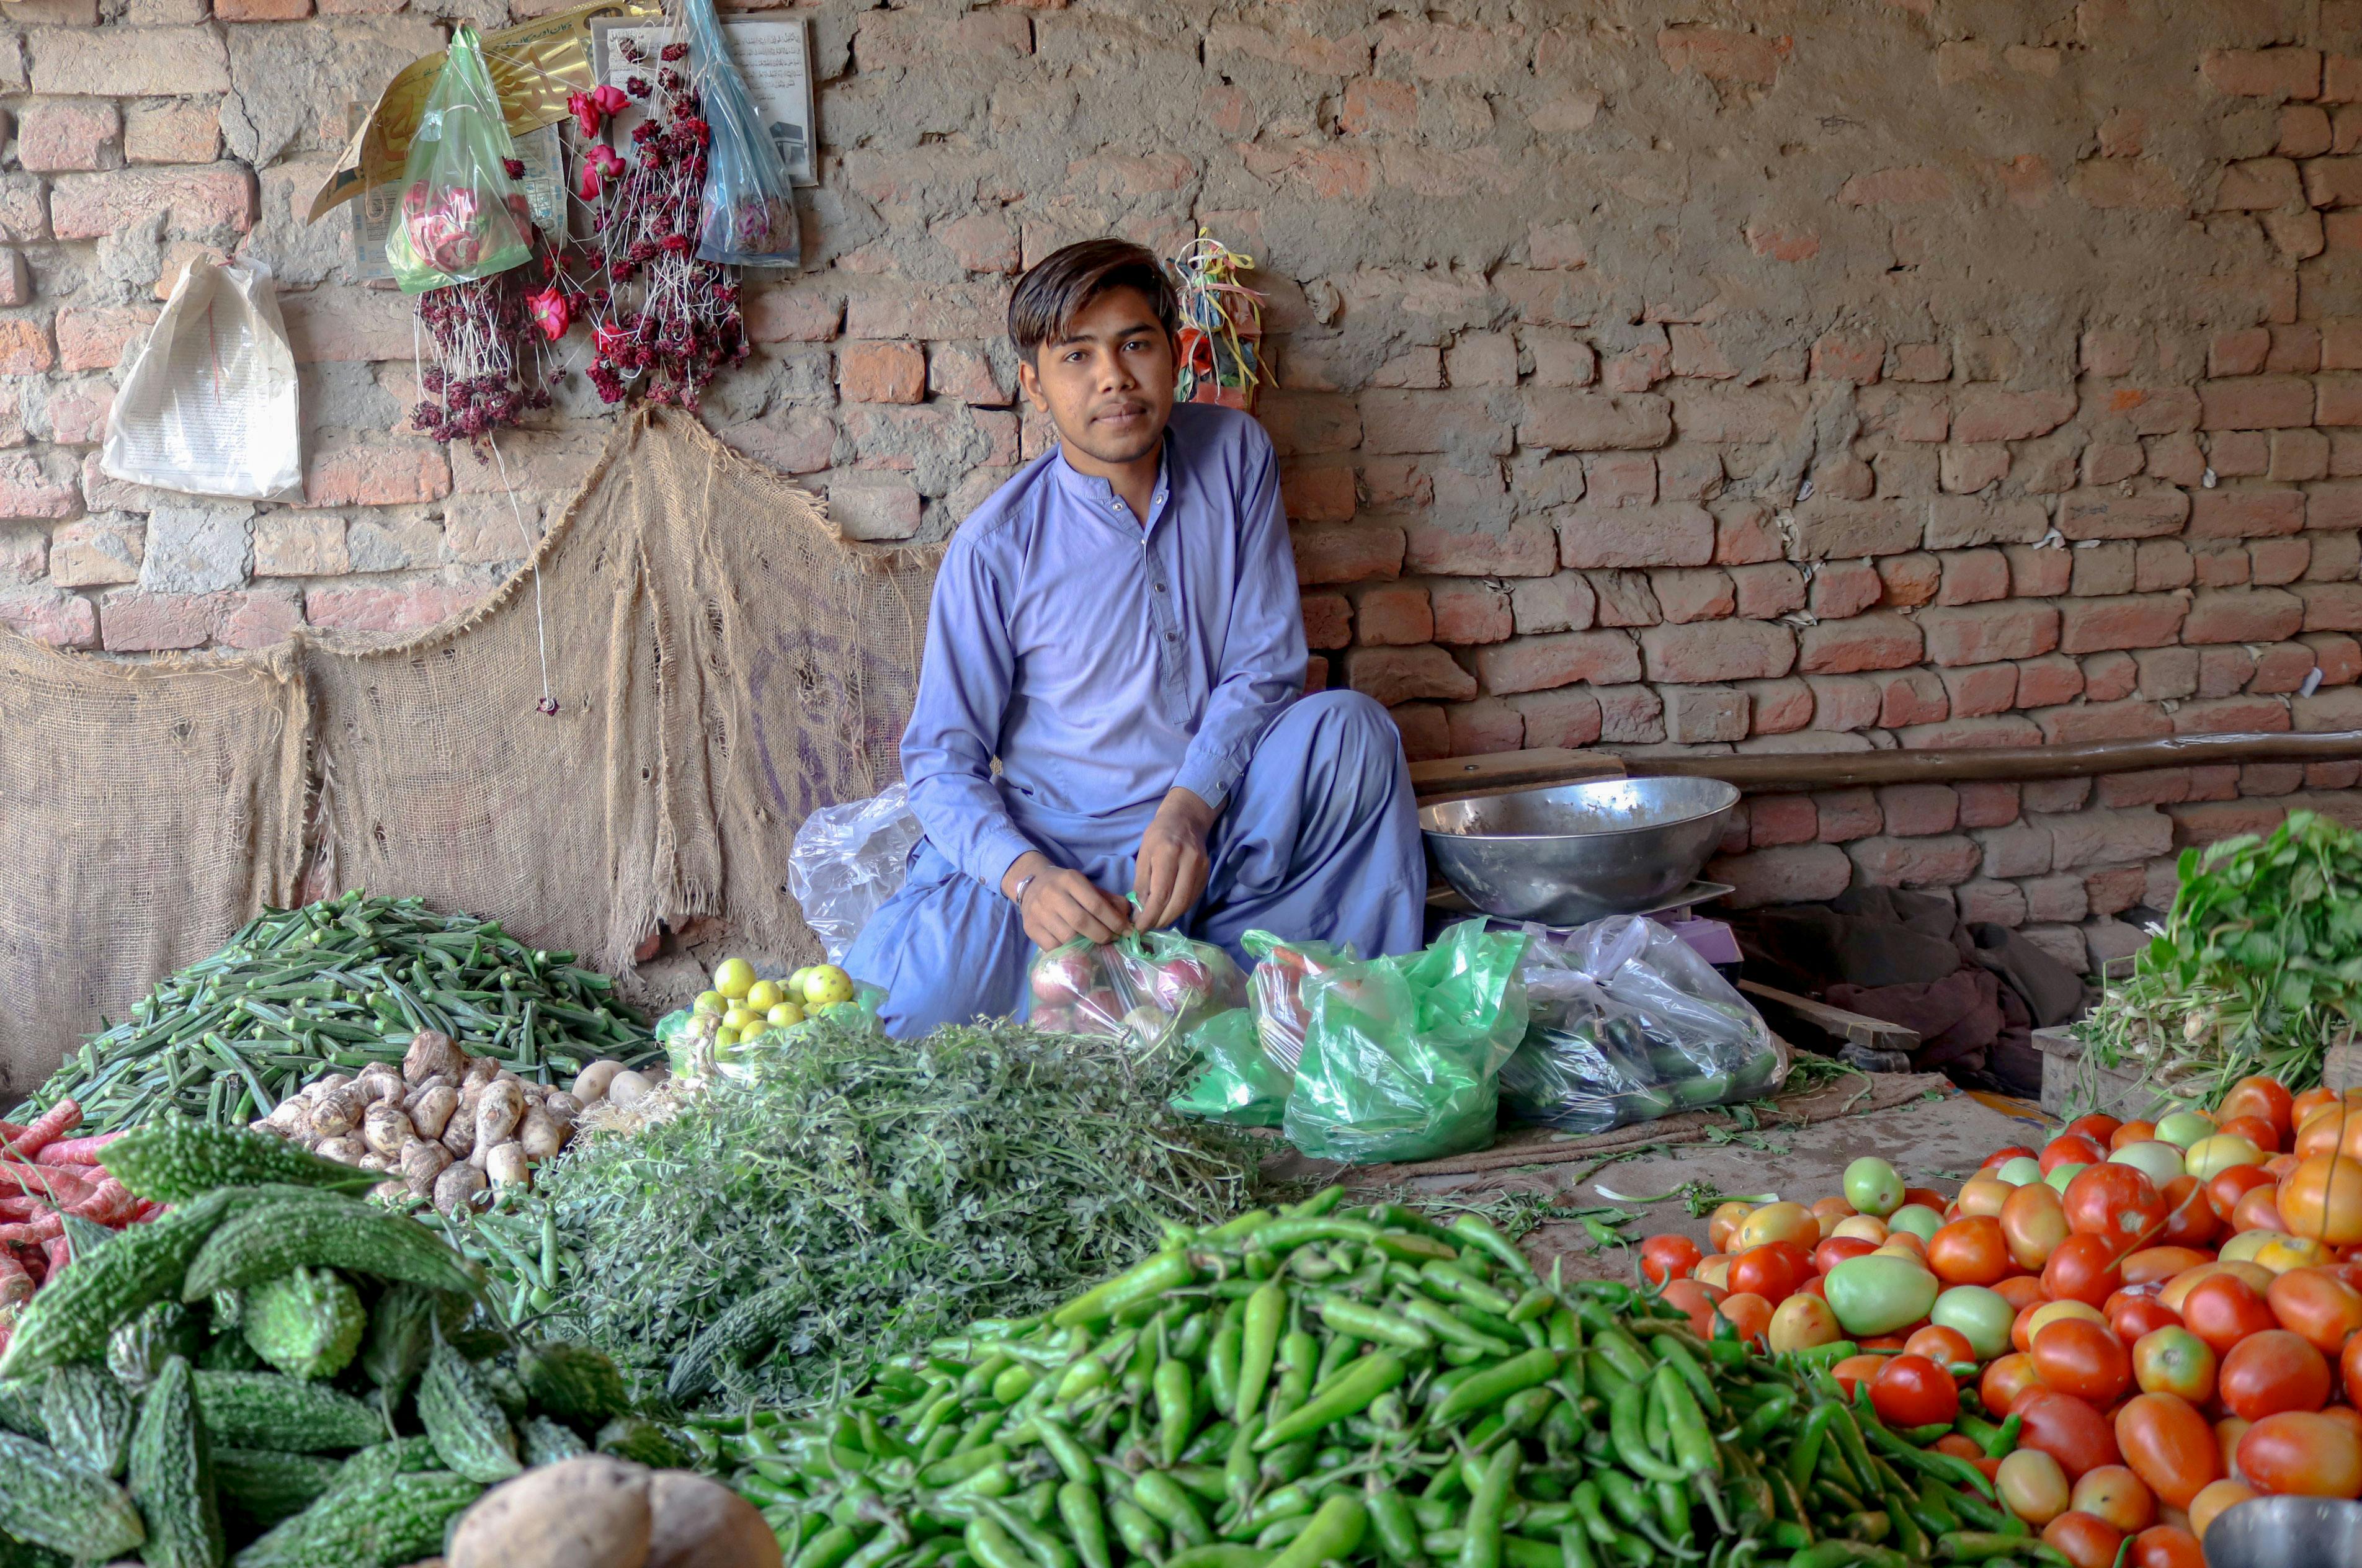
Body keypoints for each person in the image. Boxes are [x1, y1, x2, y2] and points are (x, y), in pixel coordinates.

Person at [845, 238, 1427, 1036]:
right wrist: (1028, 881)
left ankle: (1332, 1021)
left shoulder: (1233, 456)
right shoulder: (995, 547)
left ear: (1178, 355)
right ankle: (1173, 984)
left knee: (1350, 733)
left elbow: (1264, 664)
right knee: (897, 1009)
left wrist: (1189, 807)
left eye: (1135, 345)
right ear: (1033, 384)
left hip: (1216, 825)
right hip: (1065, 856)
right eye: (1076, 356)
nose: (1112, 376)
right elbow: (941, 763)